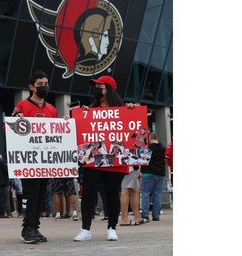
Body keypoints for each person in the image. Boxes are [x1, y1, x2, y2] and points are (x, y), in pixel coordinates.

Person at [73, 75, 138, 242]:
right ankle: (85, 229)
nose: (95, 90)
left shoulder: (122, 109)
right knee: (88, 194)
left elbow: (133, 127)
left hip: (115, 161)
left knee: (111, 194)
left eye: (99, 87)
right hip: (94, 159)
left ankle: (112, 227)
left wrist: (131, 110)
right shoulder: (90, 110)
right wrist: (76, 118)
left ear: (108, 89)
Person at [12, 70, 58, 244]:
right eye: (40, 84)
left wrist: (65, 122)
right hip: (29, 161)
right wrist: (18, 121)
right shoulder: (22, 106)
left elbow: (57, 134)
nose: (44, 87)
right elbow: (8, 129)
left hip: (45, 161)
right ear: (32, 87)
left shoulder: (52, 109)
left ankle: (35, 226)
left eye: (46, 83)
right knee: (31, 195)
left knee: (41, 195)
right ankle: (27, 228)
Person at [140, 132, 166, 221]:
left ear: (149, 138)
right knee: (158, 194)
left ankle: (145, 214)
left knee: (146, 193)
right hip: (160, 173)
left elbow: (143, 159)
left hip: (148, 173)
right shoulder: (163, 148)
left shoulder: (148, 148)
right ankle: (156, 215)